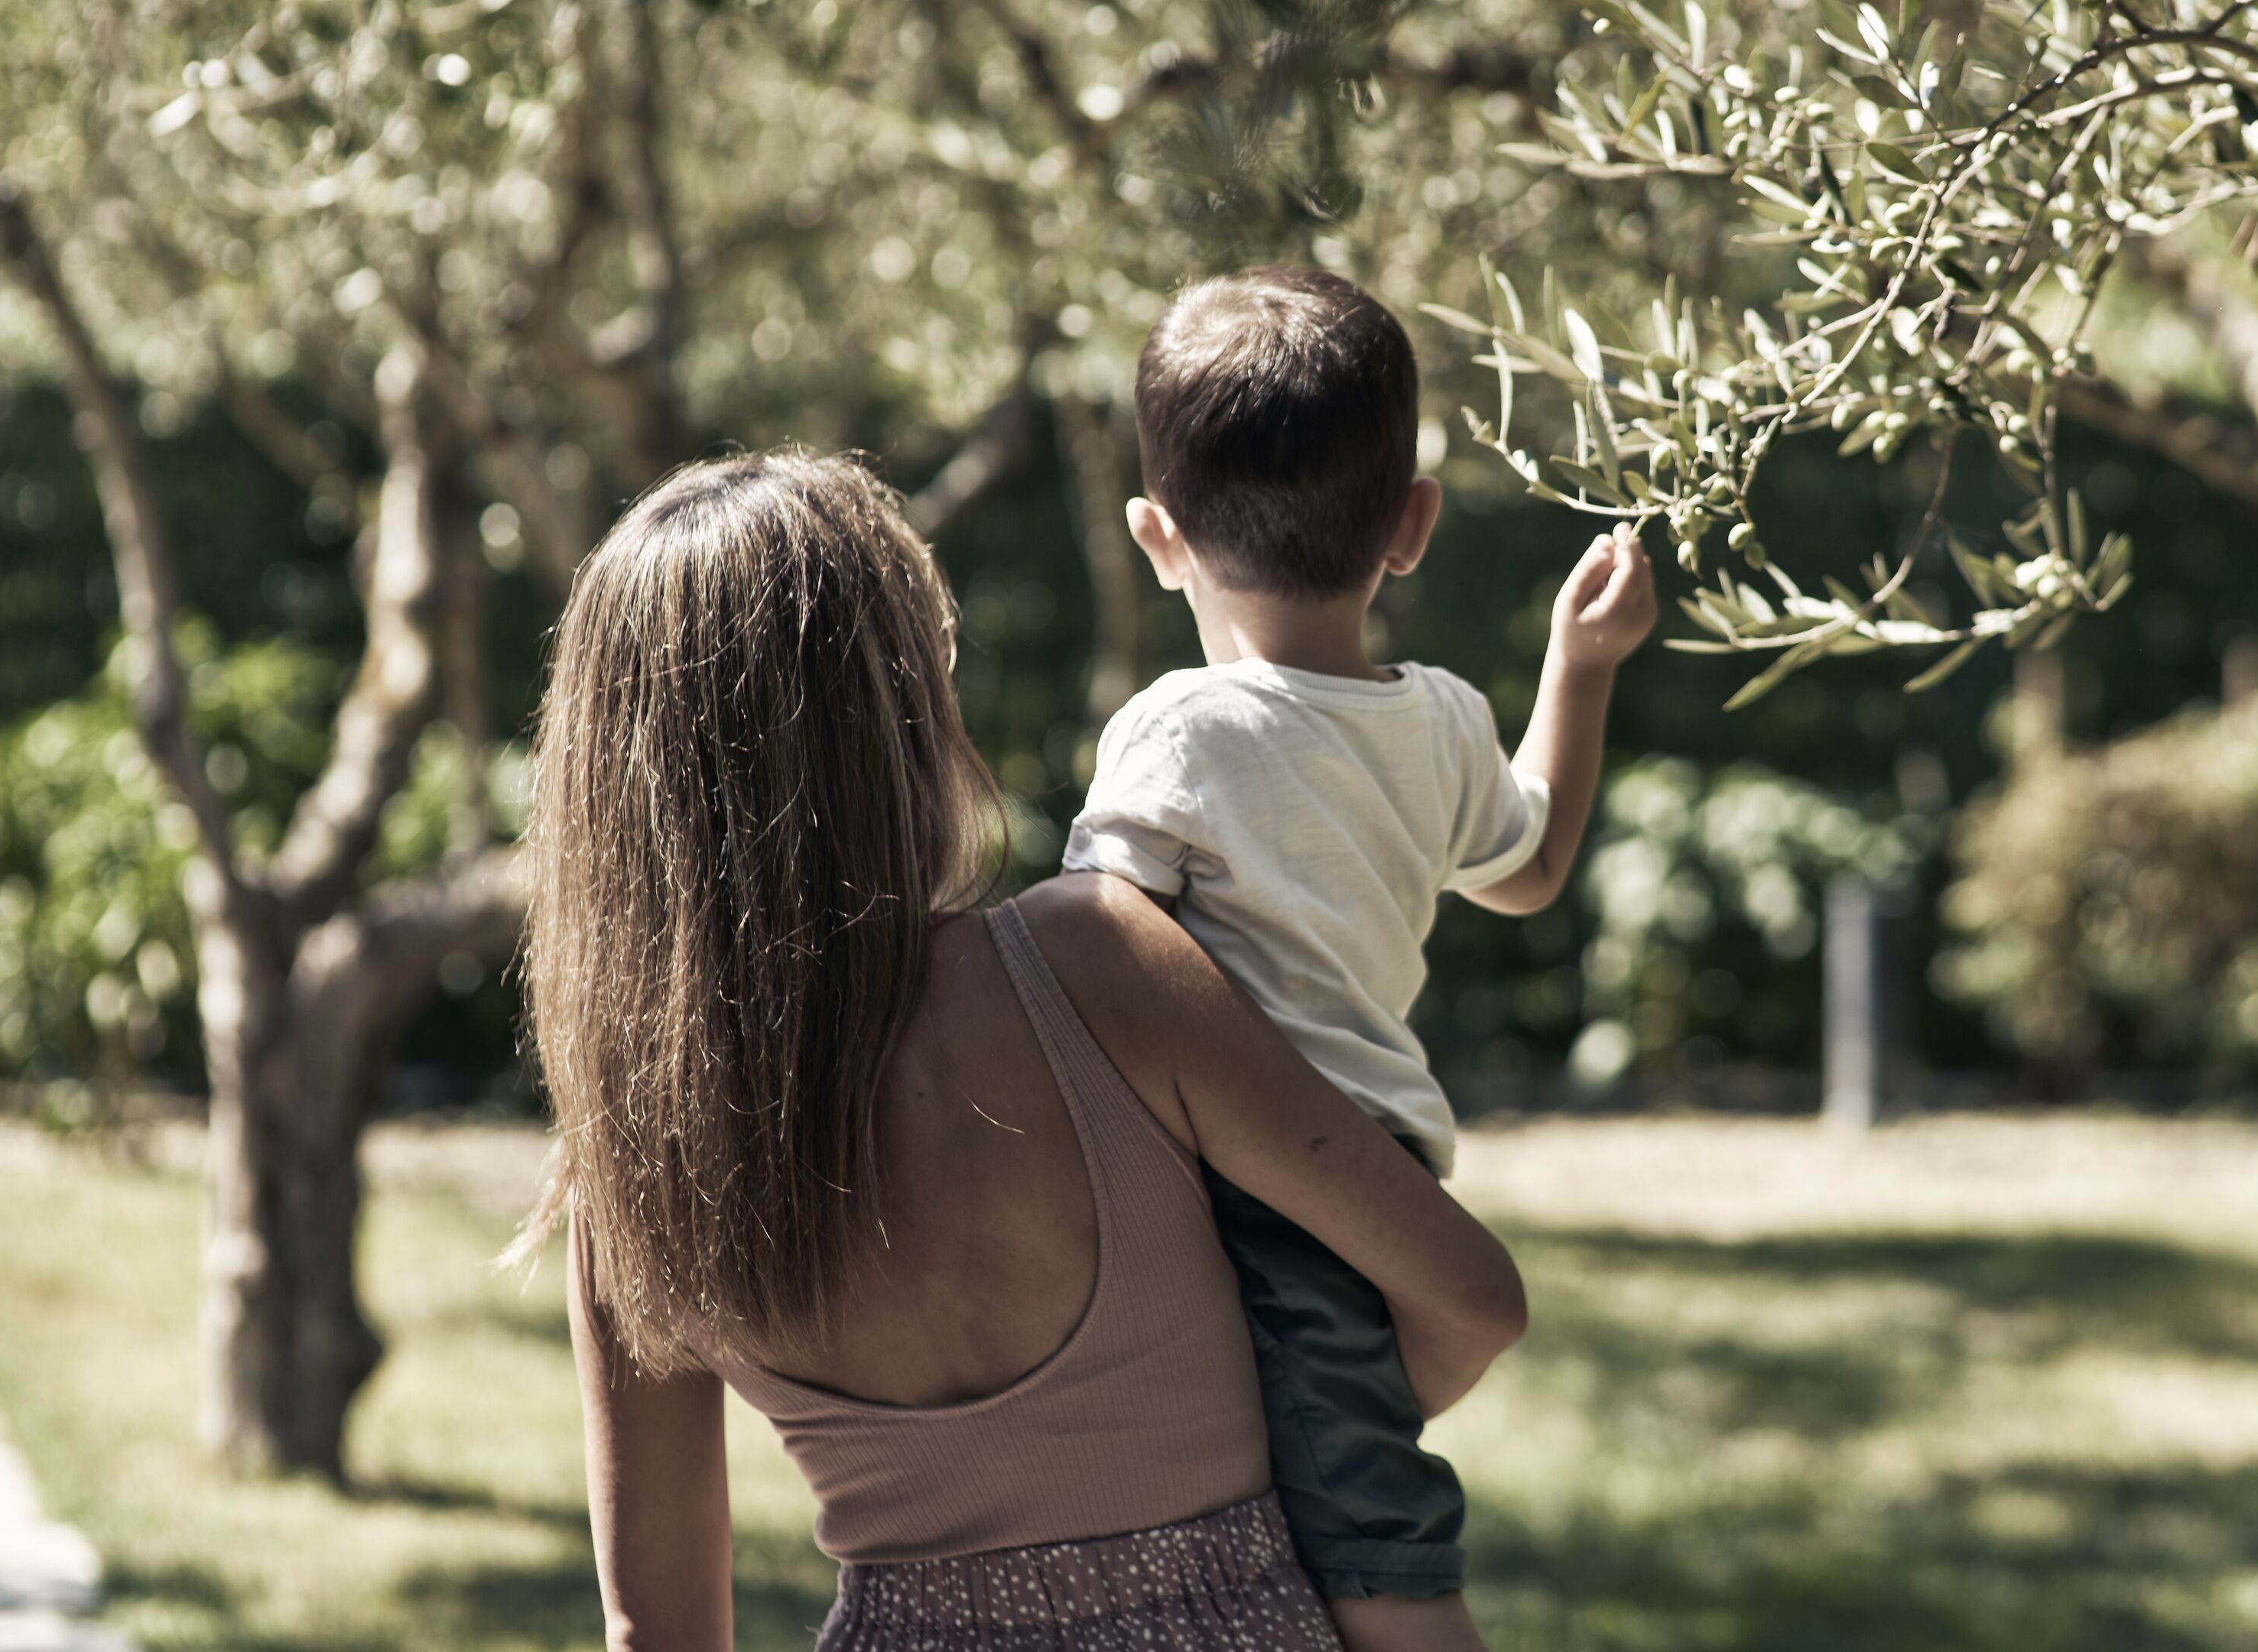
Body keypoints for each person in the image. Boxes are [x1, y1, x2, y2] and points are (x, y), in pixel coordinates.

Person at [523, 450, 1529, 1652]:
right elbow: (1471, 1294)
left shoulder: (635, 1163)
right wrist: (1298, 1431)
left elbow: (660, 1631)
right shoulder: (1094, 963)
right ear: (901, 707)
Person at [1062, 268, 1656, 1652]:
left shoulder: (1178, 732)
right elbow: (1534, 868)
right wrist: (1582, 664)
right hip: (1376, 1167)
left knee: (1371, 1529)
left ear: (1157, 536)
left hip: (1251, 1190)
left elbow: (1092, 950)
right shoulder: (1442, 719)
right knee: (1332, 1472)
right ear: (1413, 525)